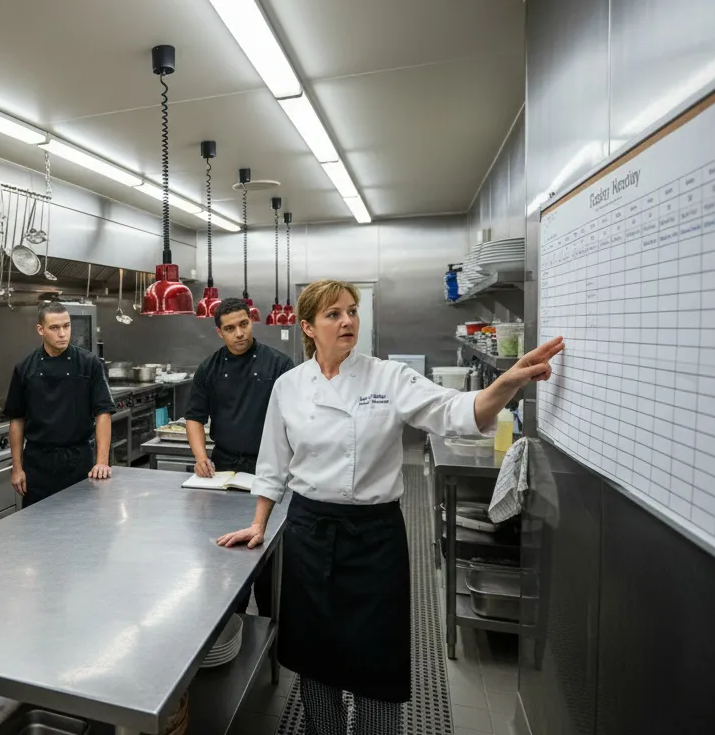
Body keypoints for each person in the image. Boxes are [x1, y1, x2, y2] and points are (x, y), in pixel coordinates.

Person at [217, 279, 564, 735]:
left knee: (376, 661)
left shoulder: (389, 377)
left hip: (374, 536)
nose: (347, 321)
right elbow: (272, 465)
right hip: (309, 533)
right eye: (333, 314)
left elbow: (457, 411)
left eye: (352, 311)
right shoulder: (288, 386)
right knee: (315, 658)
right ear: (308, 327)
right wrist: (259, 523)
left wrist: (506, 383)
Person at [185, 296, 294, 616]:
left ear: (252, 322)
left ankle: (273, 617)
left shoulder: (278, 364)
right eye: (230, 328)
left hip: (272, 466)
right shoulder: (210, 368)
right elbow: (194, 417)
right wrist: (200, 455)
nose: (239, 333)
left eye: (244, 324)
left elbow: (296, 416)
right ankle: (235, 617)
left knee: (271, 547)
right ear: (219, 332)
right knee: (232, 545)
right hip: (227, 468)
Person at [5, 301, 115, 506]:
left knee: (83, 523)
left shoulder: (89, 364)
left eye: (66, 326)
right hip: (38, 464)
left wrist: (101, 462)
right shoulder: (24, 368)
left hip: (79, 460)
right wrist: (17, 468)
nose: (63, 333)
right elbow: (17, 420)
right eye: (55, 328)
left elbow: (103, 413)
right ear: (40, 329)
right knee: (38, 526)